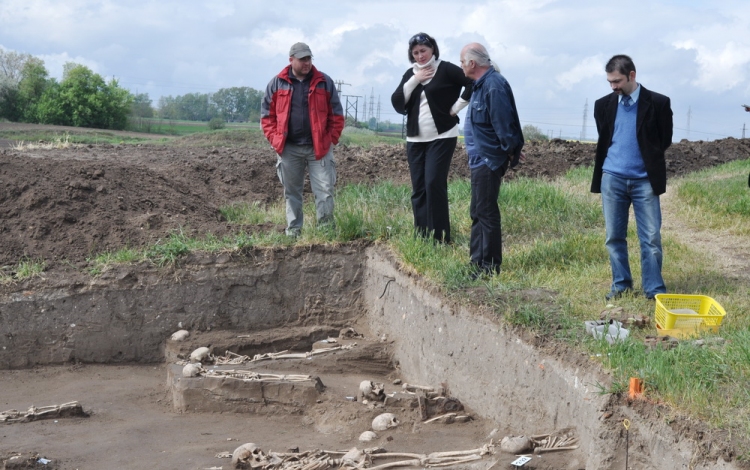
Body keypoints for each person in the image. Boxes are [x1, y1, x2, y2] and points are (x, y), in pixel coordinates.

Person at [591, 54, 673, 300]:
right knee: (614, 237)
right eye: (610, 82)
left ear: (632, 75)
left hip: (645, 181)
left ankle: (653, 290)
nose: (613, 86)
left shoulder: (658, 103)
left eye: (617, 81)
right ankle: (621, 285)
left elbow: (664, 140)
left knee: (650, 238)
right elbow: (605, 138)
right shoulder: (602, 105)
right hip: (612, 179)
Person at [391, 33, 474, 243]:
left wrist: (456, 108)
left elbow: (472, 83)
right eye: (416, 52)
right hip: (415, 140)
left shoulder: (445, 69)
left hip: (442, 137)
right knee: (419, 188)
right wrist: (414, 81)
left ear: (433, 50)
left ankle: (440, 238)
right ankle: (421, 236)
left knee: (433, 183)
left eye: (423, 51)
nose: (420, 56)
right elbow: (397, 101)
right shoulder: (410, 74)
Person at [261, 42, 345, 237]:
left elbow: (337, 115)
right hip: (289, 149)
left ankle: (325, 233)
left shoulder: (324, 82)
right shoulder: (277, 83)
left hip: (320, 149)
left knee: (324, 191)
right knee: (292, 193)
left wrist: (331, 139)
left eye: (309, 58)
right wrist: (275, 140)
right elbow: (267, 117)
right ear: (291, 60)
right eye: (302, 59)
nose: (307, 63)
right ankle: (294, 232)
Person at [459, 43, 524, 278]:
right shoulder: (480, 85)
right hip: (480, 159)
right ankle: (477, 262)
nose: (461, 65)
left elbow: (503, 122)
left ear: (472, 63)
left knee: (486, 212)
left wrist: (509, 150)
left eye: (462, 61)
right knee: (477, 211)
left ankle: (489, 267)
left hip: (488, 160)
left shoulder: (493, 85)